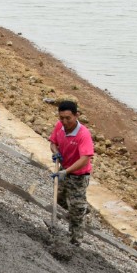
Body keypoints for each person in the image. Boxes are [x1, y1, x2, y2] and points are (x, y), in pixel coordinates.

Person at [48, 100, 94, 246]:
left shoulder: (83, 134)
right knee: (59, 199)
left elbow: (85, 159)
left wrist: (66, 171)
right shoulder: (59, 126)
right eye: (61, 118)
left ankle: (75, 243)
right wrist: (56, 152)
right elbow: (53, 142)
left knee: (75, 213)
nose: (64, 121)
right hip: (64, 169)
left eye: (68, 118)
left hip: (78, 176)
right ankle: (82, 209)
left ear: (76, 115)